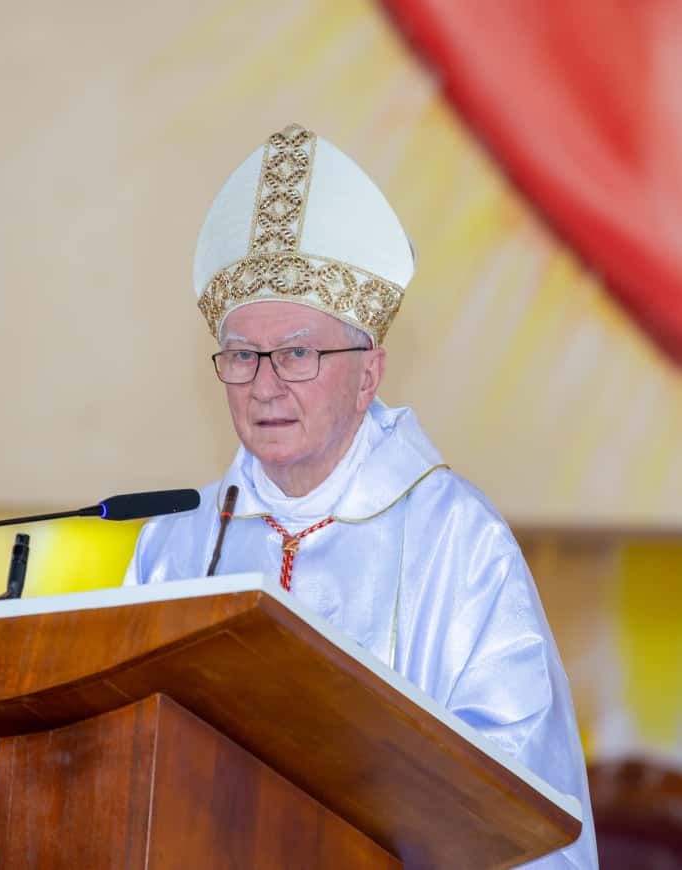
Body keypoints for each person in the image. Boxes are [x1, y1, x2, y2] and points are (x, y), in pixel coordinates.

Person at [124, 124, 598, 868]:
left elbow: (515, 802)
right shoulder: (177, 543)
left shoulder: (456, 541)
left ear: (368, 373)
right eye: (242, 355)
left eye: (297, 353)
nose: (264, 385)